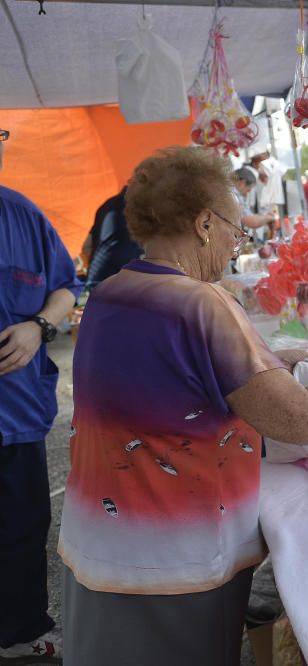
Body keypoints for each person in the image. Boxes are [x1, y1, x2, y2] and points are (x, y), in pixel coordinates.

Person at [58, 146, 308, 665]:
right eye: (236, 233)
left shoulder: (109, 292)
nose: (236, 248)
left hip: (100, 535)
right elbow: (301, 419)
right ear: (203, 224)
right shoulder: (203, 301)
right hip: (173, 555)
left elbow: (158, 376)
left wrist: (268, 359)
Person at [0, 126, 82, 664]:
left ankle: (20, 634)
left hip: (16, 413)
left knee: (21, 529)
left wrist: (39, 326)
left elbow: (64, 285)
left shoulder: (20, 214)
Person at [82, 186, 143, 286]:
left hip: (95, 281)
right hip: (125, 283)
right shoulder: (142, 208)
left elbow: (86, 247)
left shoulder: (106, 206)